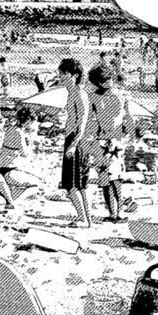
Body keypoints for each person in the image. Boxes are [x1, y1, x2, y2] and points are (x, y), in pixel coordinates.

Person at [86, 63, 131, 221]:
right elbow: (90, 120)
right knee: (105, 179)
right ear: (97, 82)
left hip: (115, 141)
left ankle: (119, 212)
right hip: (100, 141)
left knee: (116, 179)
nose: (108, 82)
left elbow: (126, 118)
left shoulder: (120, 96)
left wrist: (126, 135)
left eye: (110, 78)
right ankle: (112, 212)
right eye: (104, 79)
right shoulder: (93, 97)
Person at [58, 58, 92, 229]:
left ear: (75, 75)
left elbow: (82, 124)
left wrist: (72, 145)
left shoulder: (79, 94)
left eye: (64, 74)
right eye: (60, 74)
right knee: (80, 185)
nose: (61, 77)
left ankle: (82, 218)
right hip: (74, 139)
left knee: (72, 185)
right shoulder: (72, 93)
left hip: (77, 141)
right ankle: (86, 219)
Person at [0, 106, 42, 203]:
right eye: (33, 122)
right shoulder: (19, 132)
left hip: (1, 169)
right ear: (28, 120)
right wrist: (31, 143)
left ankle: (9, 198)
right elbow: (24, 153)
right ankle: (14, 202)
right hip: (9, 171)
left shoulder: (11, 129)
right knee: (38, 184)